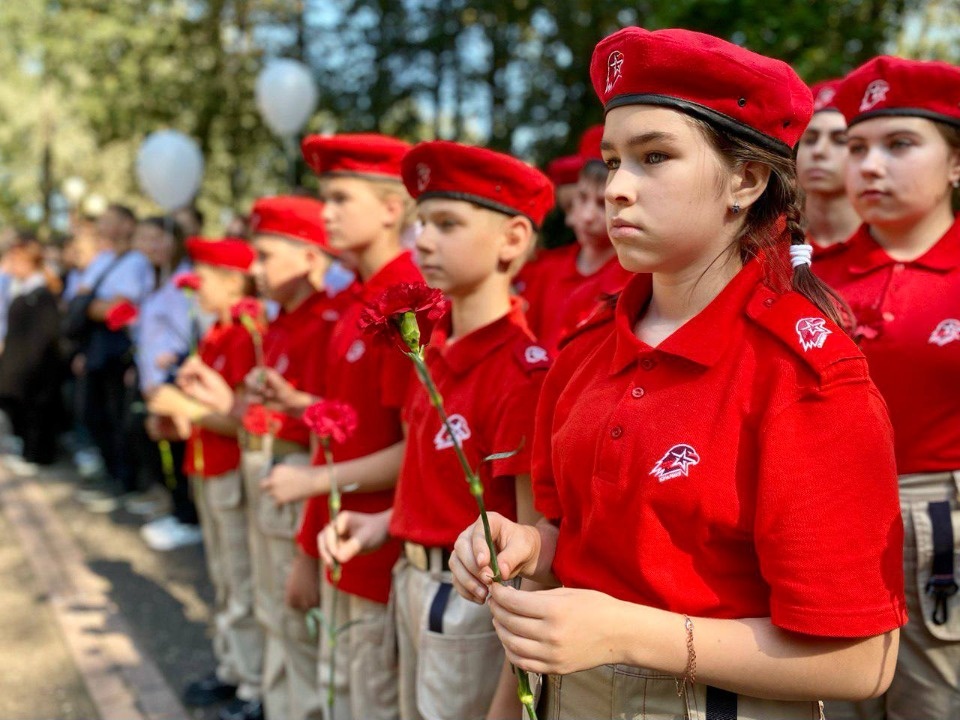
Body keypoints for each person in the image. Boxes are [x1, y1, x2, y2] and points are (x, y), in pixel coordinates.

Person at [450, 27, 906, 719]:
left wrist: (629, 633)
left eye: (654, 157)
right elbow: (569, 548)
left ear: (746, 181)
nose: (618, 190)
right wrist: (523, 546)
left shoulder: (805, 376)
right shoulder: (584, 349)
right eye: (611, 161)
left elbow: (861, 659)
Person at [317, 140, 554, 720]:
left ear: (513, 240)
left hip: (472, 605)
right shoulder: (437, 353)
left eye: (447, 224)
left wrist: (512, 698)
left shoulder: (520, 373)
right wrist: (382, 523)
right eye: (421, 222)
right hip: (412, 581)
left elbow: (534, 554)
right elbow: (437, 483)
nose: (421, 240)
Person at [814, 56, 960, 720]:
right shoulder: (808, 281)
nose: (869, 167)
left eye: (900, 145)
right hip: (822, 520)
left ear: (956, 163)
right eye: (857, 147)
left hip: (940, 523)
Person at [253, 133, 416, 720]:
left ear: (391, 209)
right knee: (339, 693)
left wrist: (311, 486)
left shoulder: (409, 306)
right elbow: (349, 423)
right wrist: (300, 403)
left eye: (341, 198)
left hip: (379, 550)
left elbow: (417, 449)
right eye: (325, 199)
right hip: (340, 545)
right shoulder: (356, 308)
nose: (326, 214)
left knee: (364, 701)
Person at [241, 195, 353, 720]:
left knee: (297, 617)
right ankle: (274, 701)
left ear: (311, 258)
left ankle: (297, 708)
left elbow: (333, 427)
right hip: (273, 471)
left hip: (300, 475)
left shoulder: (328, 321)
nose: (253, 269)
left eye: (265, 255)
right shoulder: (282, 322)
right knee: (271, 608)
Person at [149, 237, 265, 720]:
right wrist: (179, 417)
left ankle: (252, 686)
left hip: (232, 470)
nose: (195, 287)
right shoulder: (217, 331)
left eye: (206, 277)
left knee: (242, 582)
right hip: (208, 466)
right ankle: (233, 669)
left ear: (235, 281)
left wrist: (186, 408)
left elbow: (242, 417)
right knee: (223, 579)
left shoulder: (244, 331)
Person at [75, 204, 155, 510]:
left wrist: (96, 305)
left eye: (109, 220)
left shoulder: (136, 262)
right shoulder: (105, 259)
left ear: (126, 224)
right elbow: (83, 298)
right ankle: (115, 476)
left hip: (118, 348)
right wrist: (96, 304)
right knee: (94, 412)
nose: (102, 225)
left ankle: (127, 481)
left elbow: (117, 311)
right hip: (98, 345)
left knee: (118, 415)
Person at [133, 217, 203, 546]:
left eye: (158, 238)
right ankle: (178, 510)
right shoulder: (154, 278)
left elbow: (186, 331)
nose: (151, 245)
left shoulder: (183, 281)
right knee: (163, 446)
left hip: (172, 379)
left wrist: (168, 370)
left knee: (179, 449)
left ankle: (187, 517)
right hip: (153, 379)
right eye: (144, 238)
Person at [0, 239, 63, 471]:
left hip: (33, 366)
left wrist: (29, 366)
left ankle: (37, 454)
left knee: (36, 411)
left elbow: (44, 337)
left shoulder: (41, 295)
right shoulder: (22, 290)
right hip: (19, 363)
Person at [797, 79, 860, 257]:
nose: (818, 151)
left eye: (840, 140)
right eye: (809, 140)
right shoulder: (765, 248)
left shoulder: (893, 247)